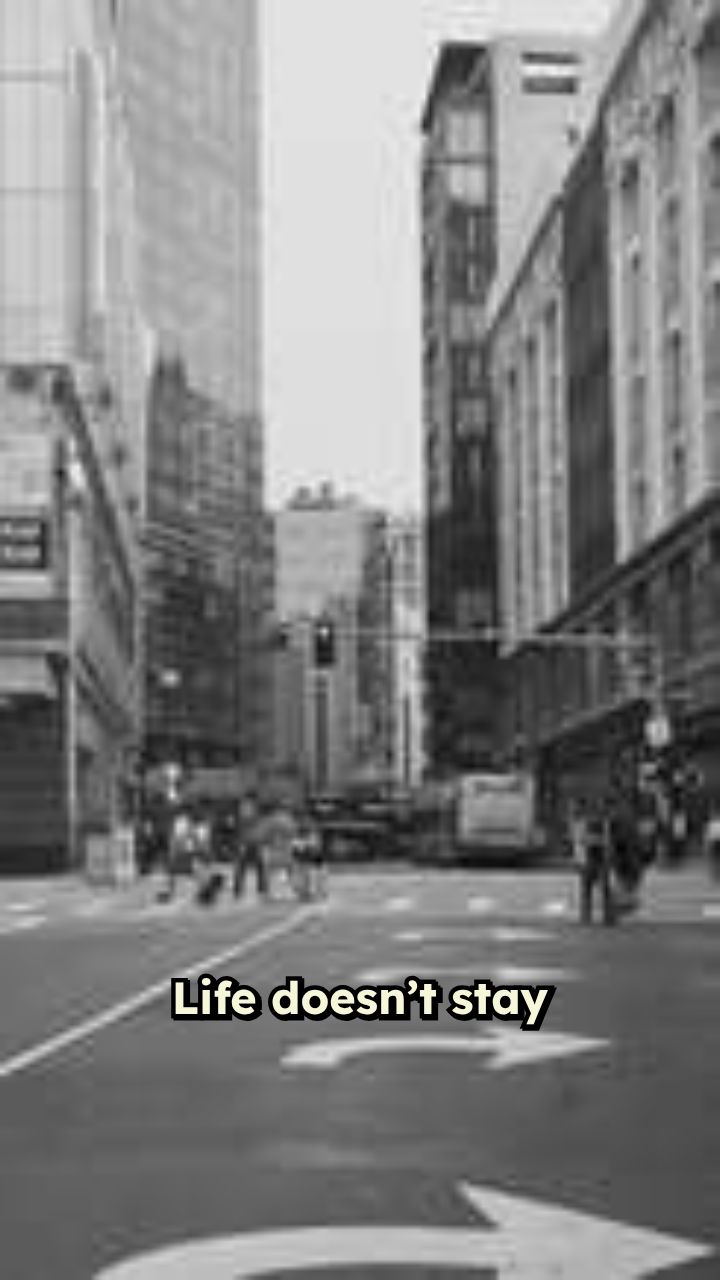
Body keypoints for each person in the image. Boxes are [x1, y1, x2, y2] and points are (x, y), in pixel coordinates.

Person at [568, 797, 614, 925]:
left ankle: (606, 917)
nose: (572, 809)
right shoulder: (578, 822)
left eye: (574, 807)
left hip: (595, 859)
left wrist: (589, 842)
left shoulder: (592, 822)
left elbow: (599, 840)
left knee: (600, 889)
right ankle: (587, 917)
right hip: (587, 859)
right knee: (588, 890)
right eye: (572, 807)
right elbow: (578, 842)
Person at [232, 795, 268, 900]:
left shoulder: (252, 816)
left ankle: (261, 888)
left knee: (258, 866)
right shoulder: (244, 817)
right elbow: (240, 830)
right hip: (247, 842)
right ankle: (239, 889)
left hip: (253, 842)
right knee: (242, 866)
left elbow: (258, 829)